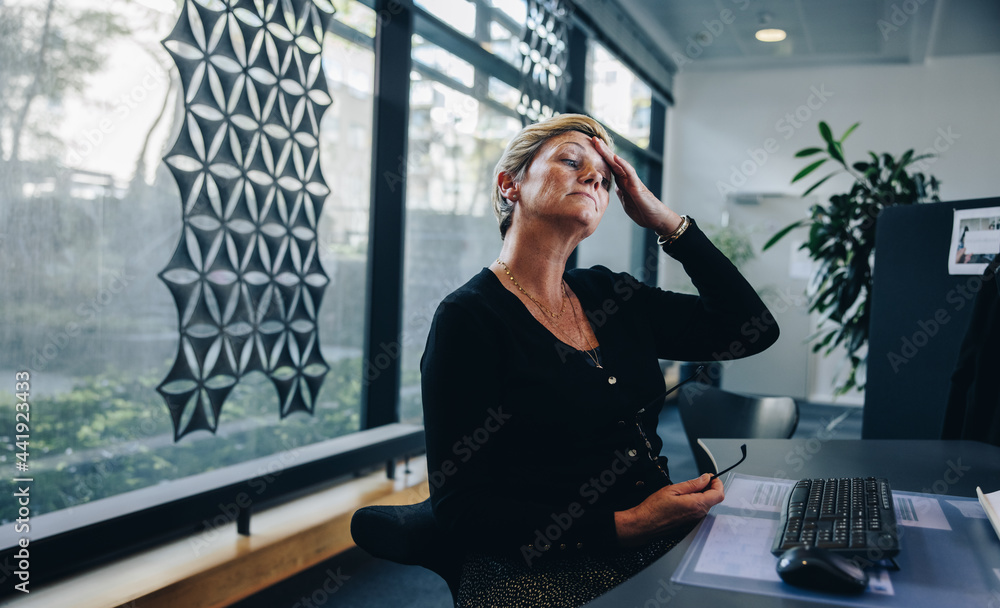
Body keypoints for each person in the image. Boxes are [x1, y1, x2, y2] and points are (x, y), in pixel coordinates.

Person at [420, 114, 779, 607]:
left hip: (658, 533)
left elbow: (751, 328)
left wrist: (667, 224)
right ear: (510, 185)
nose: (594, 177)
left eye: (607, 180)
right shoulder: (468, 319)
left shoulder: (612, 294)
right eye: (572, 161)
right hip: (537, 563)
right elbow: (462, 508)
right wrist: (626, 525)